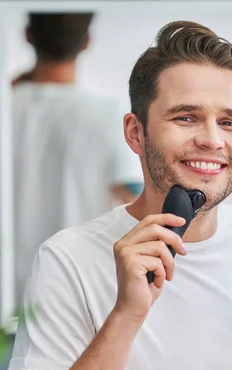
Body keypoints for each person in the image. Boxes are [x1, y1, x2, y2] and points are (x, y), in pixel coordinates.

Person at [9, 20, 232, 370]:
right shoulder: (67, 259)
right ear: (135, 133)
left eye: (229, 122)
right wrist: (126, 316)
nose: (212, 140)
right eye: (185, 117)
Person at [11, 12, 144, 304]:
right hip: (78, 289)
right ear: (87, 42)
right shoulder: (107, 116)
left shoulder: (0, 108)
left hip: (4, 290)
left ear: (28, 35)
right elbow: (135, 200)